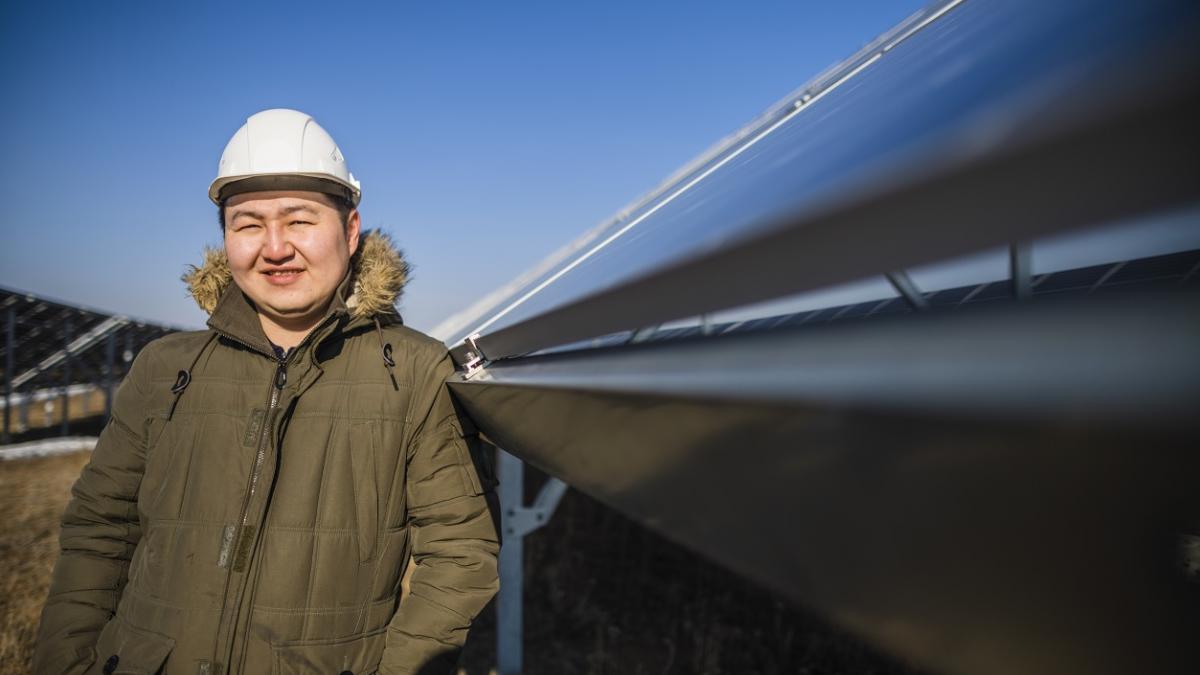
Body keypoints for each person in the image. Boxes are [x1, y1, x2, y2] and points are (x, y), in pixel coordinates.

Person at [33, 109, 500, 675]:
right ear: (225, 238)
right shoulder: (167, 369)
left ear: (350, 231)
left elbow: (460, 555)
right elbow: (98, 531)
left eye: (299, 220)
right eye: (248, 224)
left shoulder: (413, 371)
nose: (274, 248)